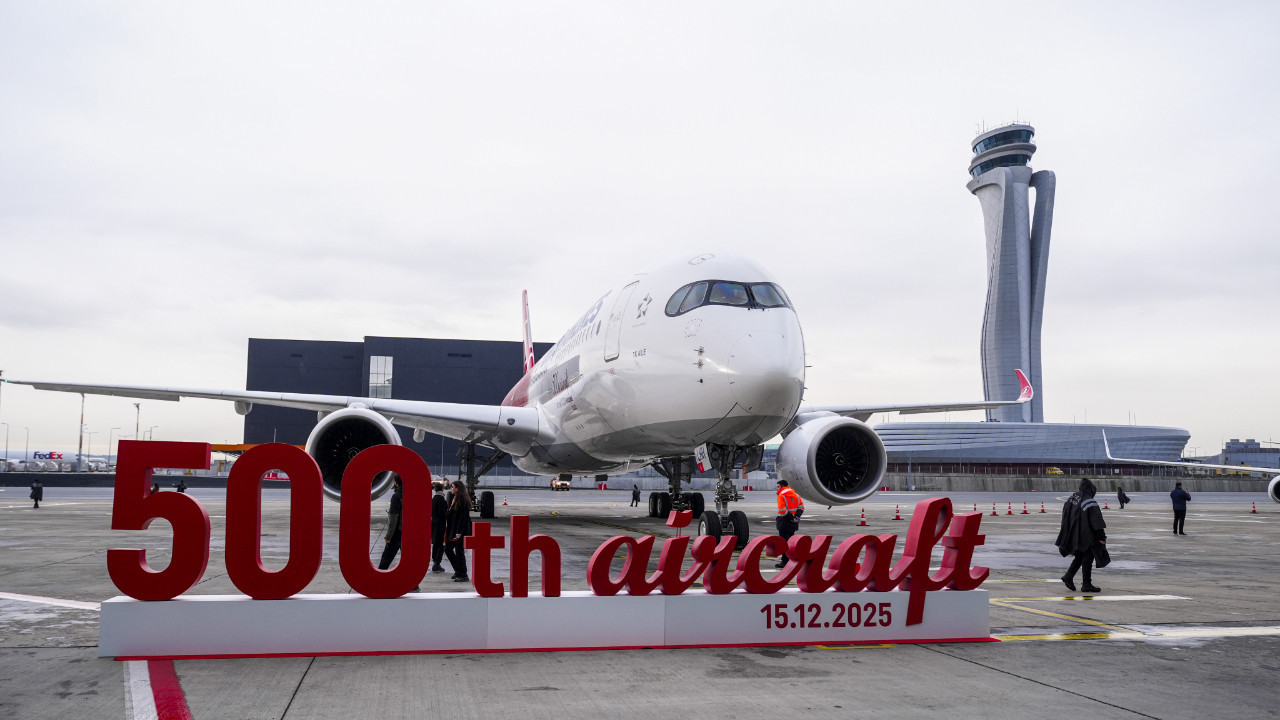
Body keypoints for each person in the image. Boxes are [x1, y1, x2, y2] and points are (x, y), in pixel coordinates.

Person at [1056, 478, 1107, 593]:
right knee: (1088, 558)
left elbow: (1065, 517)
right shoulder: (1090, 502)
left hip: (1073, 534)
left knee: (1080, 556)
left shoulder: (1072, 498)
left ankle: (1069, 576)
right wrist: (1101, 537)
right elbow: (1096, 521)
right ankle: (1086, 584)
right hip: (1086, 536)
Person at [445, 480, 473, 582]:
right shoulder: (455, 498)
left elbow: (463, 517)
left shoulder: (462, 500)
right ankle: (458, 571)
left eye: (452, 487)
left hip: (459, 532)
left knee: (459, 551)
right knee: (448, 549)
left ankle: (463, 574)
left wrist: (459, 532)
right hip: (454, 530)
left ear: (457, 488)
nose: (451, 488)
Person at [774, 479, 804, 568]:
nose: (777, 488)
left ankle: (784, 562)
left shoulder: (781, 496)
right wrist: (796, 517)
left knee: (784, 543)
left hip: (784, 522)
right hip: (793, 523)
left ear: (782, 486)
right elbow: (801, 507)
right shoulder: (796, 495)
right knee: (791, 542)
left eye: (778, 486)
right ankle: (791, 560)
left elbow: (783, 511)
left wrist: (790, 517)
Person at [377, 476, 404, 571]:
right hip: (407, 533)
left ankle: (379, 580)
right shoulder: (410, 495)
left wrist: (388, 537)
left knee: (386, 559)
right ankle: (413, 585)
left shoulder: (396, 496)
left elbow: (393, 518)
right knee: (407, 561)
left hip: (397, 533)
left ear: (396, 483)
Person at [430, 481, 448, 573]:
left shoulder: (433, 499)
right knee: (441, 545)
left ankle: (434, 561)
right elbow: (443, 514)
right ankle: (437, 563)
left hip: (433, 524)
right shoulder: (442, 500)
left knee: (435, 544)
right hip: (440, 525)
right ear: (442, 489)